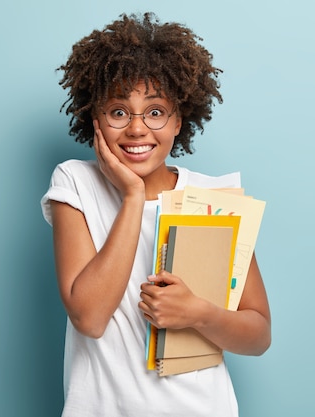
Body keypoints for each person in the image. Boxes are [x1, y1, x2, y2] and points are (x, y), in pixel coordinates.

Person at [40, 12, 271, 417]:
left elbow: (258, 336)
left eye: (155, 111)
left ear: (178, 120)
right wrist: (132, 196)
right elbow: (90, 317)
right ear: (95, 121)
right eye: (118, 112)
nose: (136, 129)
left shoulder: (214, 198)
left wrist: (198, 312)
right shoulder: (75, 183)